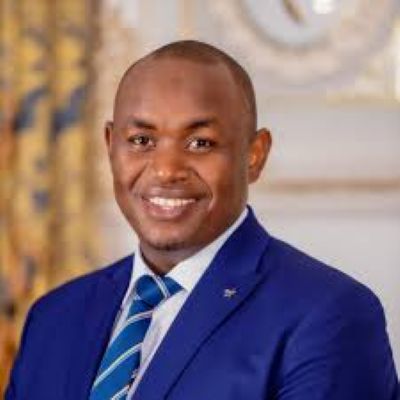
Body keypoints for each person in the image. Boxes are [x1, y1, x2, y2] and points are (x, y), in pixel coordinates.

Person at [5, 40, 399, 400]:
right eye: (141, 141)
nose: (166, 169)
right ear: (110, 146)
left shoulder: (328, 316)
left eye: (200, 143)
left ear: (254, 154)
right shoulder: (54, 317)